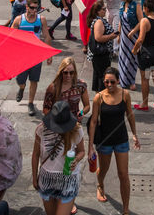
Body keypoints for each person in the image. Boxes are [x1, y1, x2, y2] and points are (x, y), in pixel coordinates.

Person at [88, 67, 140, 214]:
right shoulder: (99, 97)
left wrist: (135, 134)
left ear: (118, 81)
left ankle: (125, 209)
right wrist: (90, 146)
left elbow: (130, 114)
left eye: (112, 82)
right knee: (103, 169)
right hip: (104, 141)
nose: (109, 85)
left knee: (123, 174)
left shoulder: (125, 94)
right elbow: (93, 121)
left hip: (121, 140)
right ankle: (100, 183)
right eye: (106, 82)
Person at [32, 100, 86, 215]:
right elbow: (35, 154)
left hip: (68, 180)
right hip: (47, 179)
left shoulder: (77, 130)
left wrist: (76, 160)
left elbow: (81, 151)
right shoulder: (41, 129)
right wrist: (34, 177)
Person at [10, 0, 54, 115]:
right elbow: (11, 38)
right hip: (22, 55)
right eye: (32, 8)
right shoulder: (19, 20)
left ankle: (30, 103)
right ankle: (22, 87)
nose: (35, 10)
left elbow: (47, 37)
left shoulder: (41, 20)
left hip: (36, 55)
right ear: (27, 7)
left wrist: (49, 54)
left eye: (36, 8)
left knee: (34, 80)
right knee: (20, 80)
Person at [43, 57, 90, 122]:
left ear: (75, 72)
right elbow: (45, 109)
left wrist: (81, 113)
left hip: (74, 123)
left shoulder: (81, 85)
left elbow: (87, 106)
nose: (68, 75)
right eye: (65, 72)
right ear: (61, 72)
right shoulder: (53, 88)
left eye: (71, 72)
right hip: (58, 124)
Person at [86, 1, 117, 92]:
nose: (105, 10)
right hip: (101, 54)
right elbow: (98, 38)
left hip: (100, 54)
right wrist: (111, 36)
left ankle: (99, 97)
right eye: (103, 9)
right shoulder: (99, 22)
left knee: (99, 75)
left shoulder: (99, 20)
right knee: (102, 77)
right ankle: (102, 97)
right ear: (98, 11)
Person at [116, 0, 143, 91]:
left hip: (133, 36)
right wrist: (118, 34)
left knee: (132, 58)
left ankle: (131, 81)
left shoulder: (136, 5)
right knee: (122, 57)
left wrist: (133, 31)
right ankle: (122, 78)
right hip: (124, 35)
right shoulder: (122, 5)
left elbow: (141, 21)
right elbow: (120, 21)